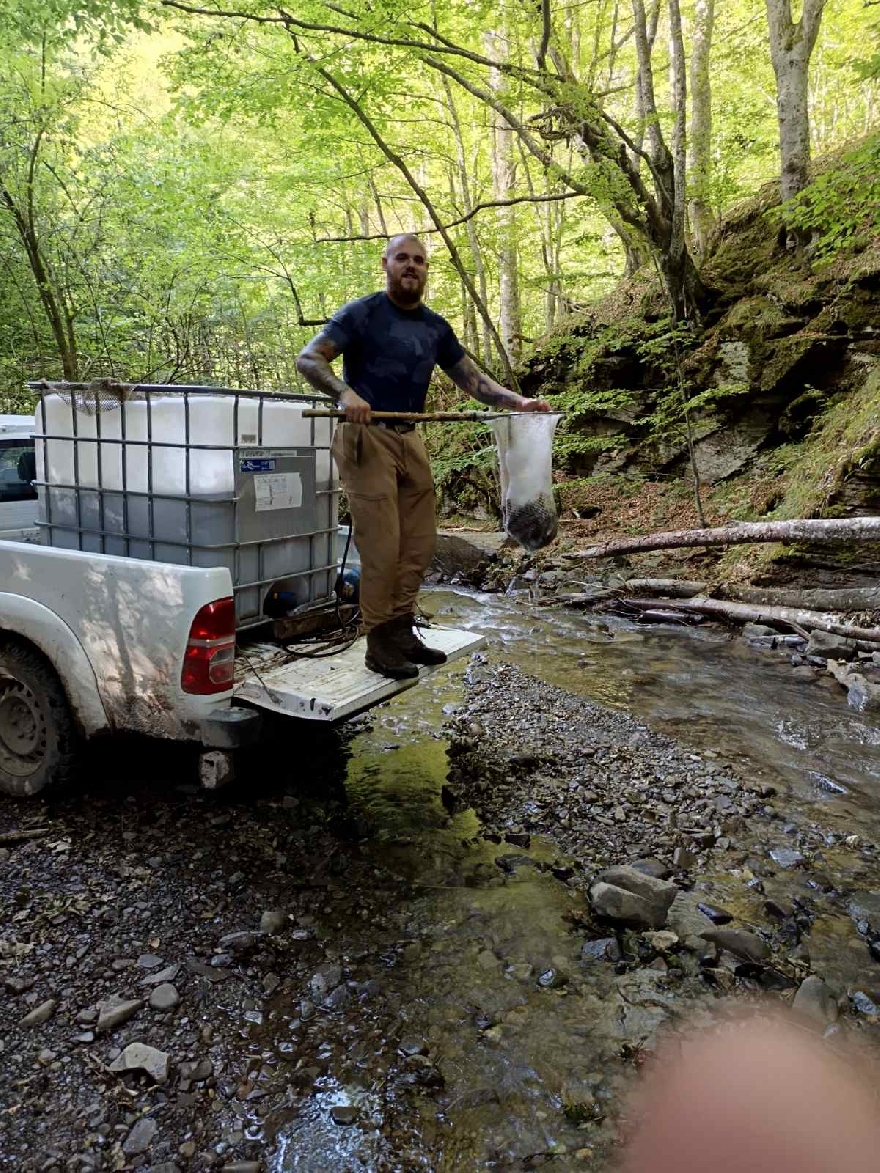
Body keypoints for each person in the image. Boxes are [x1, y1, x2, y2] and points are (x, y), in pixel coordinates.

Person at [296, 233, 550, 680]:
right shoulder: (362, 313)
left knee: (419, 544)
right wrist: (345, 394)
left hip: (409, 436)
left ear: (426, 269)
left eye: (418, 260)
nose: (411, 266)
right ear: (386, 263)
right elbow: (310, 359)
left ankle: (401, 629)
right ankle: (377, 641)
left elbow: (474, 381)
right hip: (365, 436)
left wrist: (519, 403)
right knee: (382, 546)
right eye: (402, 258)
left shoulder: (434, 327)